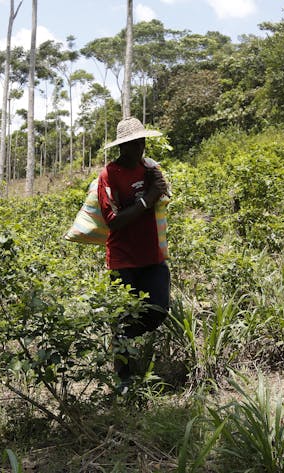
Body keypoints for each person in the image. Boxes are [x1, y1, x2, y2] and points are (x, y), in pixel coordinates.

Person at [97, 117, 171, 390]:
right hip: (123, 259)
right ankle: (123, 380)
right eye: (133, 143)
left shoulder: (150, 169)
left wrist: (158, 188)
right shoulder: (109, 175)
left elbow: (162, 198)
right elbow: (113, 221)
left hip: (152, 256)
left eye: (142, 141)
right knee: (123, 317)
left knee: (159, 310)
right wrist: (147, 198)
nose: (140, 146)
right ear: (122, 147)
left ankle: (122, 340)